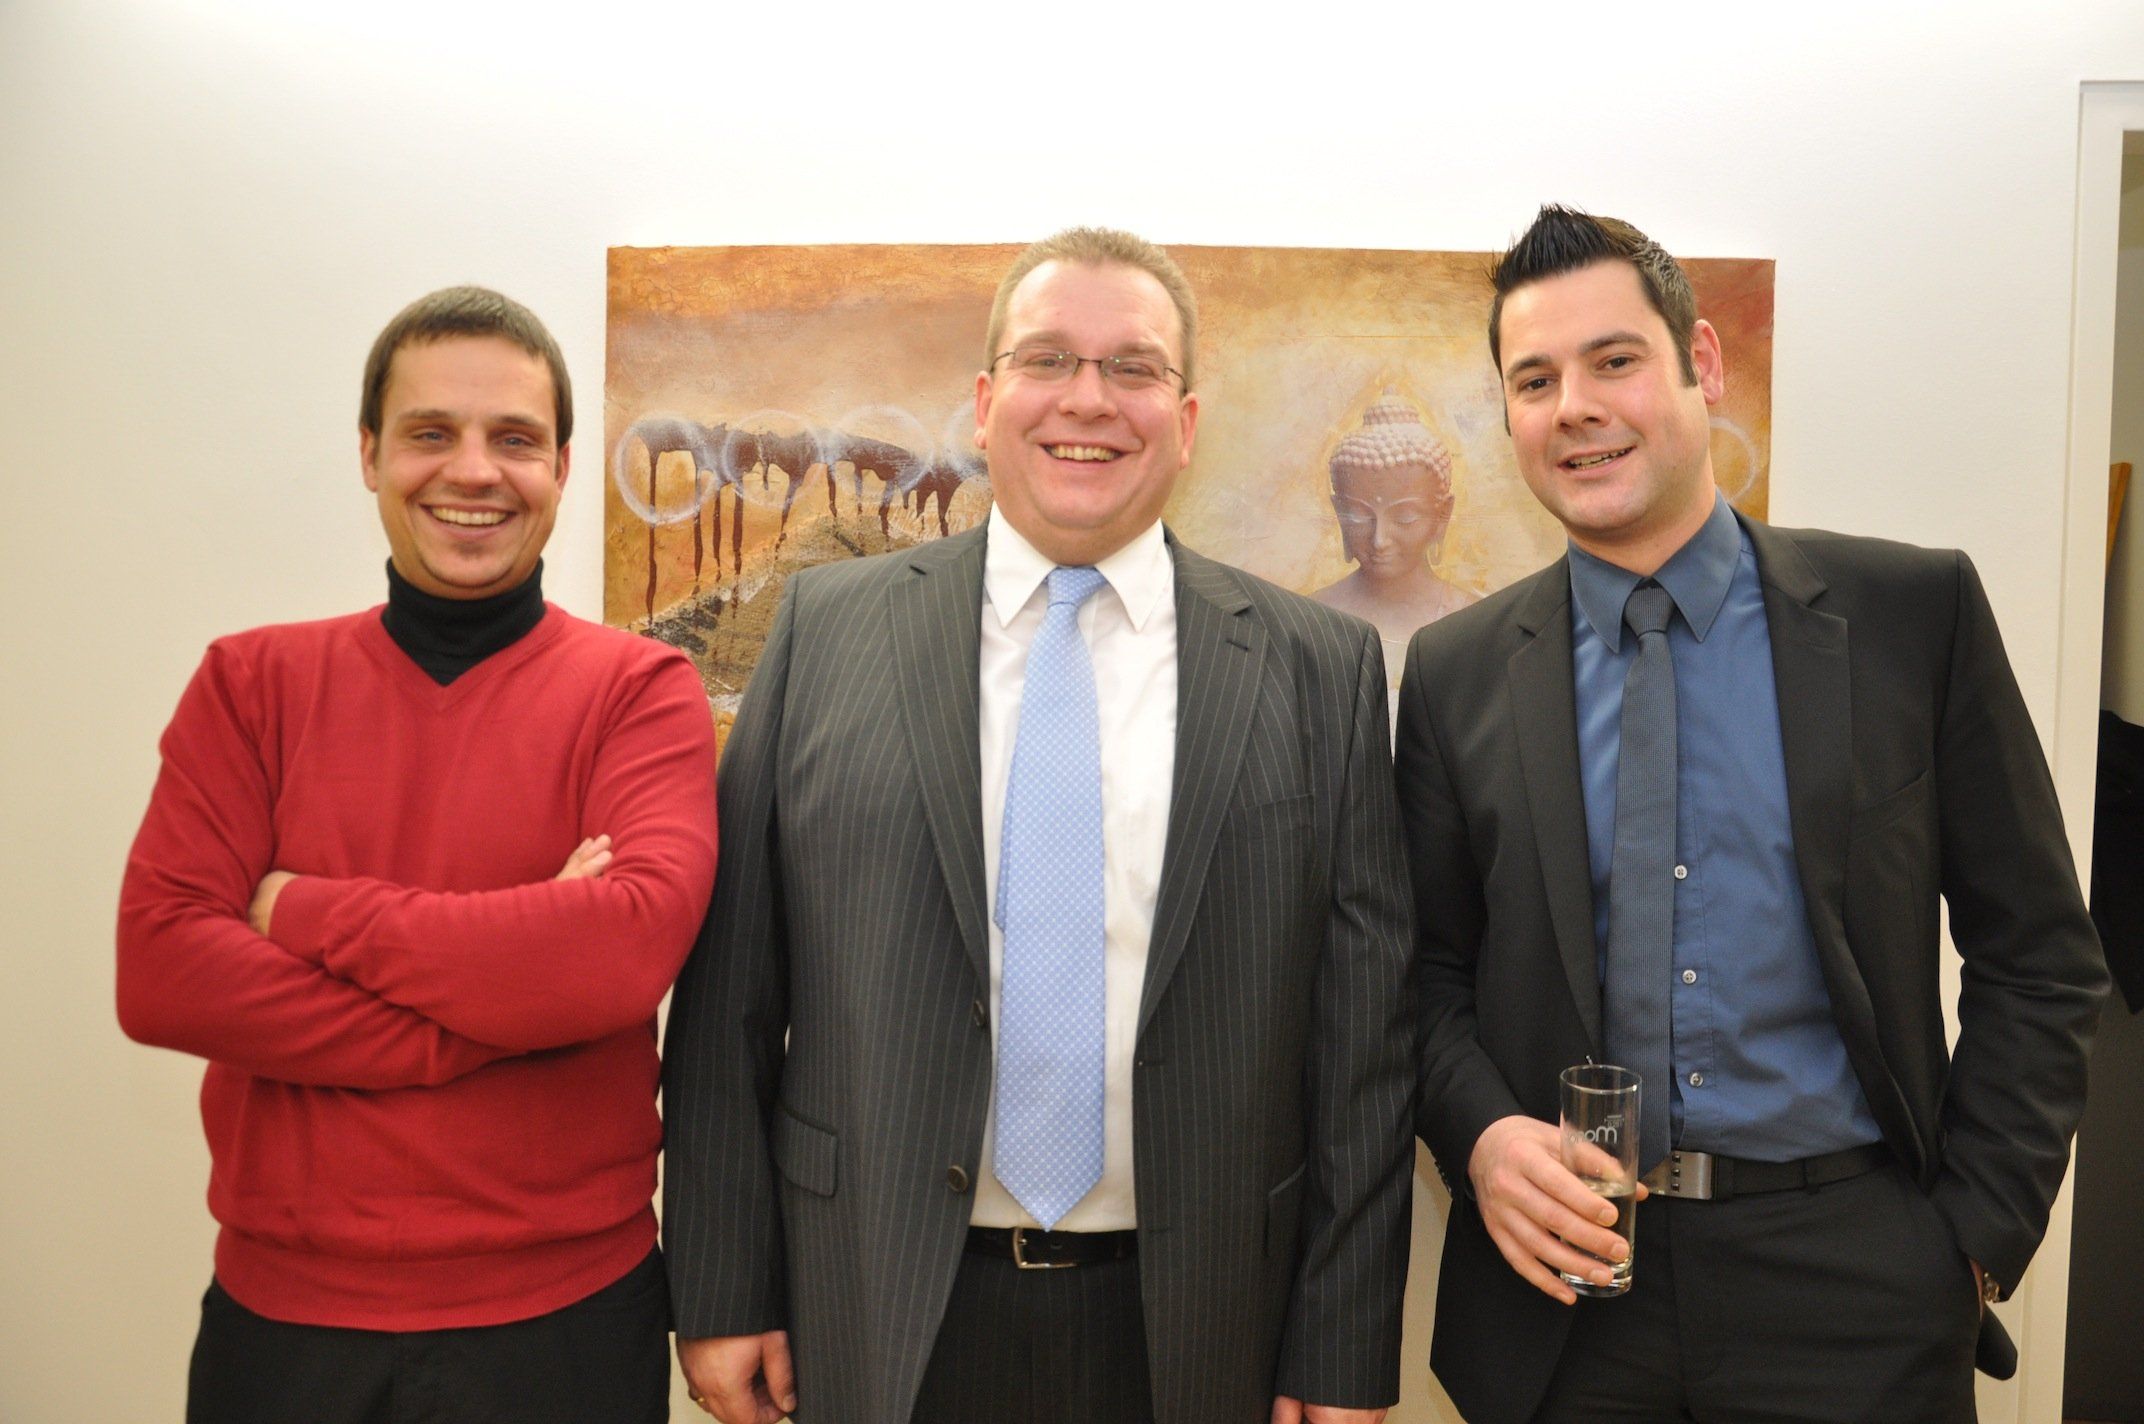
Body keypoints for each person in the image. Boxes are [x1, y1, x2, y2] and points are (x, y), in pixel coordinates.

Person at [662, 227, 1414, 1424]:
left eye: (1133, 367)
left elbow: (1362, 1046)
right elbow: (729, 999)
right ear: (983, 401)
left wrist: (1340, 1348)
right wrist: (719, 1282)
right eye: (1048, 358)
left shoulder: (1317, 666)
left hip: (1201, 1321)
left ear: (1185, 418)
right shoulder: (823, 632)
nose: (1087, 399)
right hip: (873, 1302)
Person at [1397, 206, 2108, 1424]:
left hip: (1855, 1283)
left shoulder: (1908, 614)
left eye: (1613, 359)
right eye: (1534, 379)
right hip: (1565, 1302)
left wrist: (1970, 1237)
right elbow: (1420, 973)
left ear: (1701, 363)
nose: (1574, 405)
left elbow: (2038, 952)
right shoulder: (1455, 670)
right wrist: (1480, 1136)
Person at [116, 286, 719, 1424]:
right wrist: (504, 1001)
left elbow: (616, 957)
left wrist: (300, 911)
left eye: (515, 439)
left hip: (567, 1326)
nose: (473, 471)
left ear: (562, 466)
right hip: (285, 1328)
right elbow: (163, 974)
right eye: (431, 433)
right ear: (369, 453)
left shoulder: (640, 691)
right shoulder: (250, 686)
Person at [1312, 388, 1477, 654]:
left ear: (1442, 514)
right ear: (1339, 512)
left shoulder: (1471, 619)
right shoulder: (1313, 617)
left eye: (1404, 518)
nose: (1380, 540)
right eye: (1359, 516)